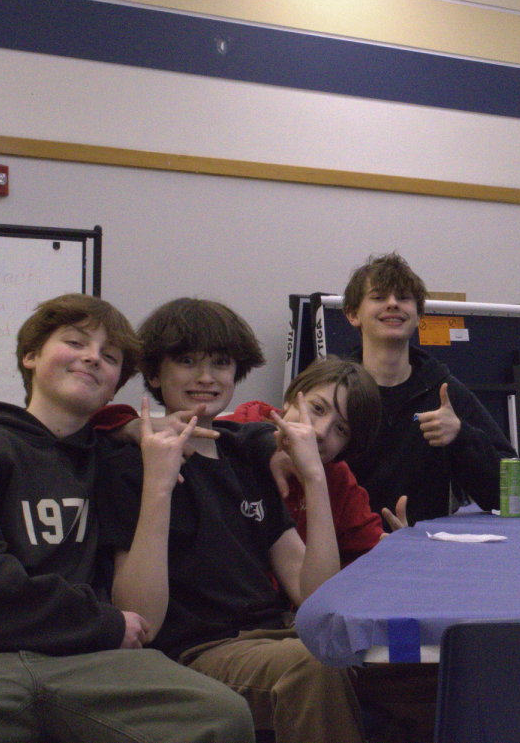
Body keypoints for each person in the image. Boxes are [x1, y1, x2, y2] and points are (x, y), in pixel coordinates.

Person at [0, 293, 253, 742]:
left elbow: (247, 422)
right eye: (75, 343)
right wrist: (106, 623)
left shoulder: (113, 457)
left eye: (110, 357)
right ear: (31, 356)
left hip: (88, 661)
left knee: (221, 716)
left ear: (116, 385)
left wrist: (272, 443)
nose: (92, 358)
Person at [96, 298, 364, 743]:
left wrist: (315, 480)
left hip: (273, 636)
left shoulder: (246, 453)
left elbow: (312, 594)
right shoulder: (129, 461)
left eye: (220, 363)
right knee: (314, 668)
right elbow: (143, 619)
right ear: (156, 374)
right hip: (198, 652)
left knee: (399, 665)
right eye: (187, 361)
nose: (206, 377)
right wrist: (159, 486)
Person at [340, 252, 518, 525]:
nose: (392, 305)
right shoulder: (333, 391)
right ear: (353, 314)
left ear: (419, 314)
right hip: (346, 557)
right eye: (378, 297)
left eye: (403, 298)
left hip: (425, 553)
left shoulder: (444, 391)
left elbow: (510, 492)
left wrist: (460, 435)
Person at [220, 356, 386, 565]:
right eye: (317, 408)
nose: (319, 431)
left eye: (341, 429)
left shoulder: (336, 477)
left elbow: (368, 548)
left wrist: (401, 550)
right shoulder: (223, 442)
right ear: (289, 399)